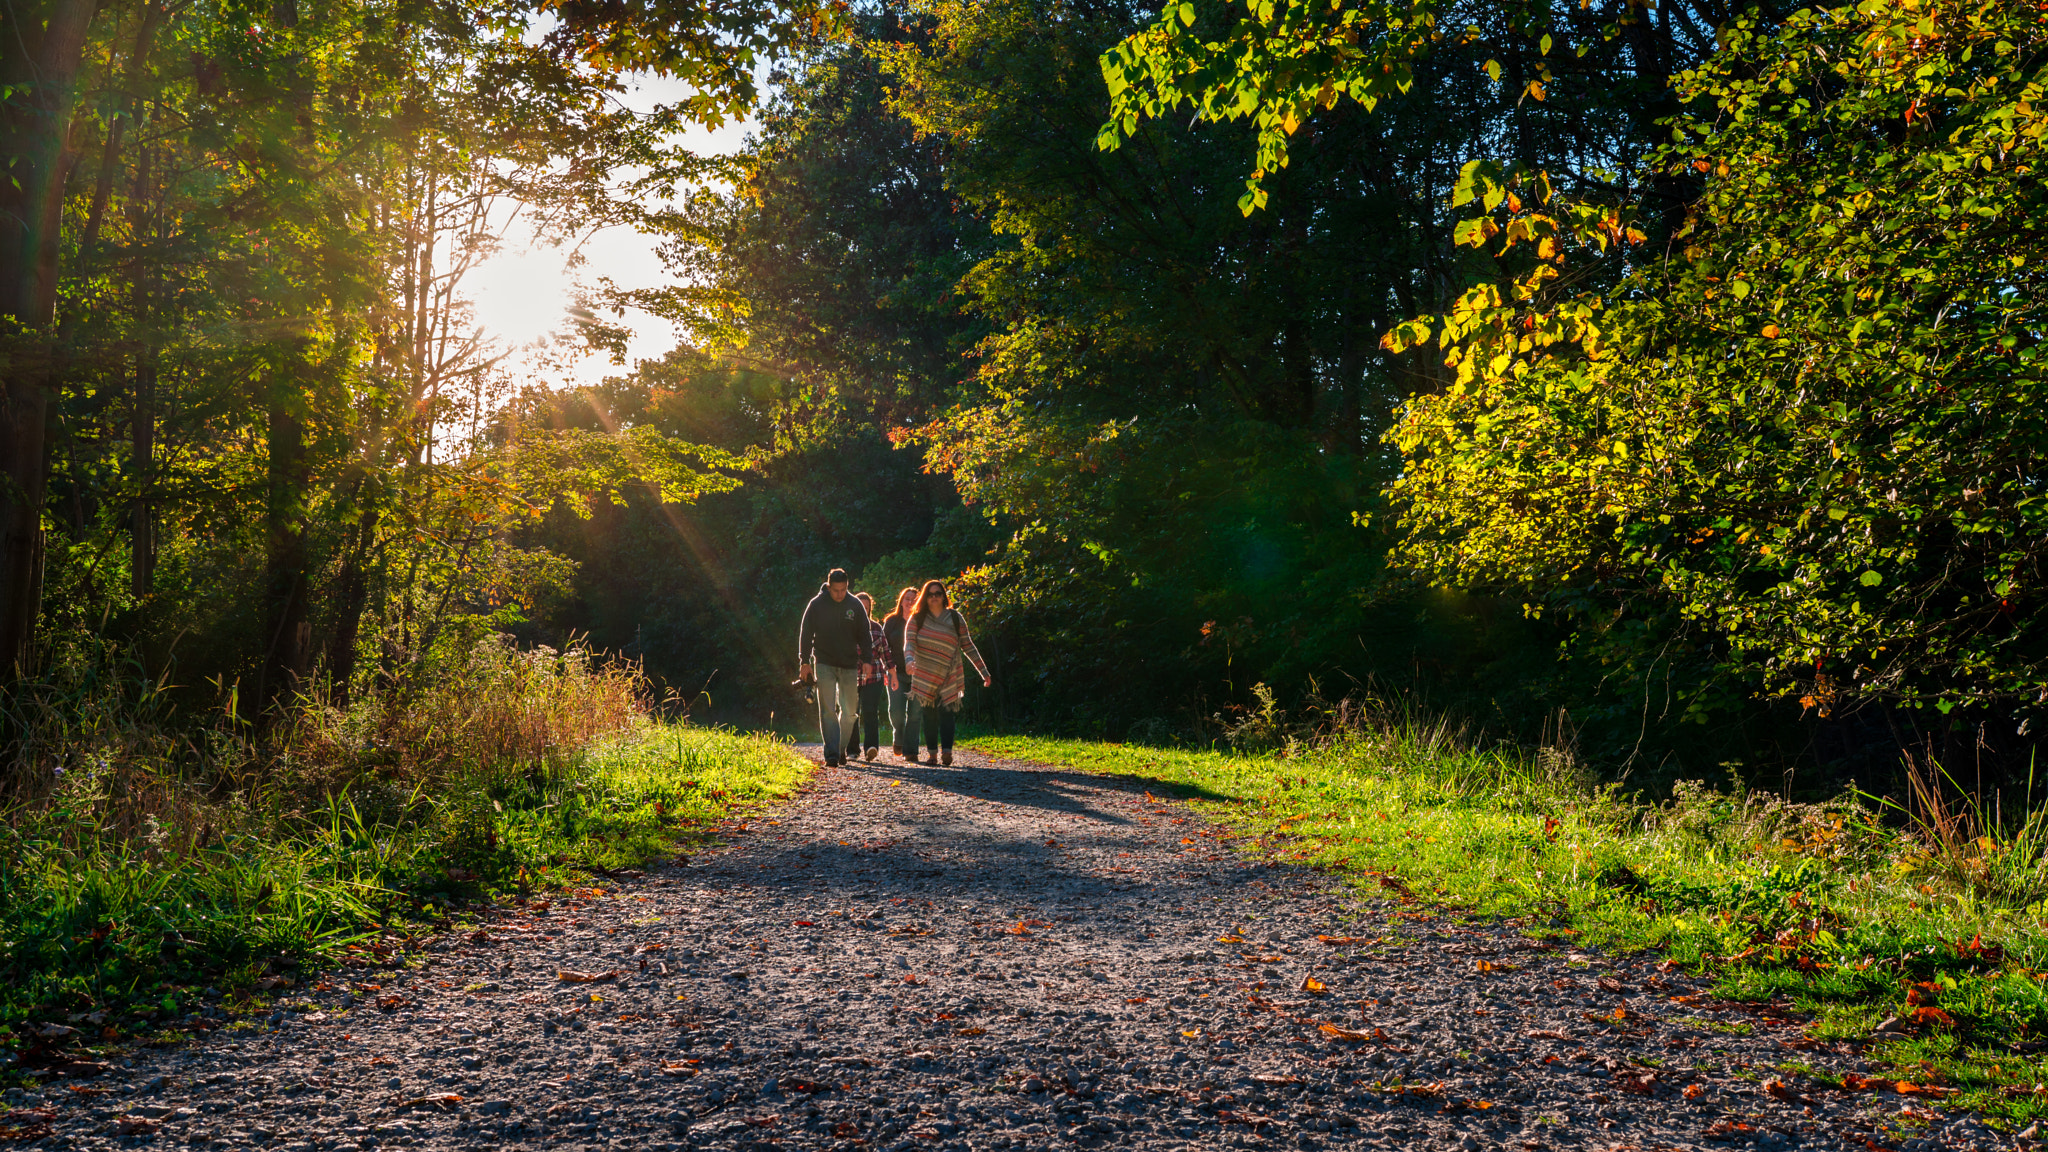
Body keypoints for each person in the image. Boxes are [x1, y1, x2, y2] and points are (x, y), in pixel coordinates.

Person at [906, 579, 990, 766]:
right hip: (924, 675)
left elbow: (968, 645)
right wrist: (909, 660)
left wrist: (983, 672)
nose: (934, 597)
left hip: (949, 674)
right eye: (930, 594)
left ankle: (947, 752)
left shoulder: (955, 618)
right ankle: (932, 755)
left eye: (938, 593)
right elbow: (909, 642)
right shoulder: (917, 618)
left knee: (947, 713)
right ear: (925, 597)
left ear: (944, 596)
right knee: (929, 715)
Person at [798, 568, 874, 767]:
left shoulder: (855, 604)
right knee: (828, 710)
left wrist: (867, 659)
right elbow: (805, 634)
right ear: (829, 586)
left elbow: (865, 634)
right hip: (824, 662)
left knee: (850, 712)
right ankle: (831, 754)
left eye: (843, 590)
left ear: (847, 586)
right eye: (836, 590)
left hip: (849, 664)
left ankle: (840, 749)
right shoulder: (816, 605)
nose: (840, 594)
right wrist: (804, 662)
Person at [843, 591, 888, 763]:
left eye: (866, 608)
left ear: (870, 609)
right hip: (850, 675)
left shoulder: (876, 628)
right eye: (860, 607)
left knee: (870, 711)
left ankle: (871, 747)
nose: (864, 610)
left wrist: (891, 672)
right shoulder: (846, 627)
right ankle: (852, 750)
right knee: (851, 712)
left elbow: (885, 651)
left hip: (874, 675)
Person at [881, 586, 920, 760]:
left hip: (919, 674)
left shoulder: (922, 621)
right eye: (907, 598)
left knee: (915, 713)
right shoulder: (891, 622)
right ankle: (898, 735)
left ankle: (911, 751)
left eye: (913, 599)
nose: (910, 602)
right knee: (896, 711)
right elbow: (882, 647)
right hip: (895, 672)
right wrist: (886, 669)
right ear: (901, 601)